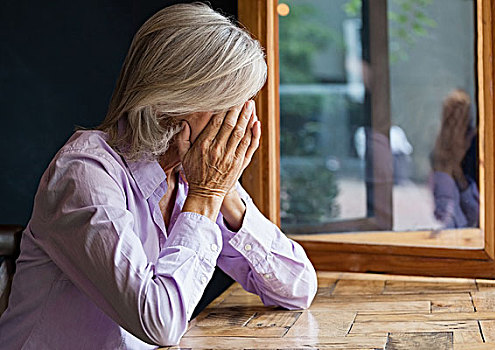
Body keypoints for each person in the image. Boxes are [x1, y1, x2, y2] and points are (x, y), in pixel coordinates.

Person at [0, 3, 317, 348]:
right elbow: (159, 322)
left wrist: (226, 196)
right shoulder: (83, 175)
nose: (239, 120)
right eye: (229, 103)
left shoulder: (189, 178)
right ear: (174, 99)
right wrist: (207, 195)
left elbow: (297, 287)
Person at [431, 89, 479, 228]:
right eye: (451, 114)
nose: (454, 121)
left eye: (459, 113)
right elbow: (440, 208)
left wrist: (458, 173)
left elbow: (476, 211)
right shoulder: (440, 146)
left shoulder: (476, 144)